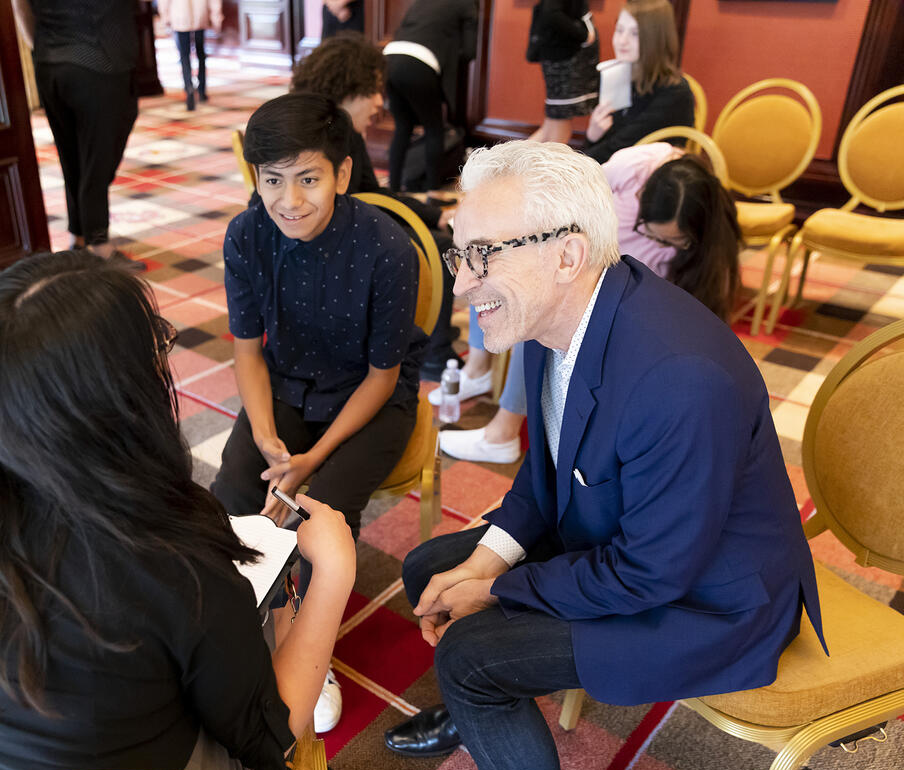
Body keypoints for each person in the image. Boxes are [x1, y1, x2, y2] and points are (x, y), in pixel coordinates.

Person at [380, 141, 824, 770]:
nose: (464, 283)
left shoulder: (679, 378)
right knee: (432, 569)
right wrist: (487, 564)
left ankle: (479, 691)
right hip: (627, 534)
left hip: (706, 601)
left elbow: (651, 573)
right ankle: (483, 709)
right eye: (461, 255)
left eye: (484, 255)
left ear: (567, 254)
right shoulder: (553, 313)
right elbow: (546, 471)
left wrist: (496, 590)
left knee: (470, 657)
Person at [0, 252, 357, 770]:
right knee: (271, 618)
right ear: (119, 399)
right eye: (156, 346)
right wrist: (333, 572)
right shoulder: (172, 555)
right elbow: (276, 736)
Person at [211, 93, 427, 732]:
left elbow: (382, 377)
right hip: (286, 386)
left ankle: (309, 650)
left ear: (343, 173)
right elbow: (247, 352)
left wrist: (310, 460)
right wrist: (267, 437)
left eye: (308, 178)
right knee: (232, 493)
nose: (290, 199)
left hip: (370, 398)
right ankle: (242, 628)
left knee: (322, 511)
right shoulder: (247, 233)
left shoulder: (387, 248)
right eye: (273, 179)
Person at [438, 142, 742, 463]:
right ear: (639, 200)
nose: (457, 288)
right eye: (649, 232)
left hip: (606, 287)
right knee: (500, 297)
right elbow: (574, 193)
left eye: (669, 242)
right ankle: (477, 371)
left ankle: (503, 430)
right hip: (584, 268)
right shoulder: (635, 166)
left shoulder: (680, 387)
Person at [289, 33, 460, 377]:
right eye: (374, 91)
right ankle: (434, 354)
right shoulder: (331, 137)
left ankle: (432, 339)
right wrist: (432, 217)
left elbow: (370, 194)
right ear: (349, 89)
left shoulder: (326, 125)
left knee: (435, 235)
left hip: (341, 228)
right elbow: (365, 200)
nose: (380, 102)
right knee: (440, 248)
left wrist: (435, 214)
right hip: (330, 242)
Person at [12, 0, 143, 269]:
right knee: (97, 158)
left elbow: (19, 5)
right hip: (102, 62)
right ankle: (99, 246)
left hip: (50, 61)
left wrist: (43, 47)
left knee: (71, 155)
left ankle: (80, 237)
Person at [384, 0, 479, 196]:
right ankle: (433, 192)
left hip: (390, 57)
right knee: (434, 128)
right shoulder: (466, 4)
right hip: (420, 61)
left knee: (402, 127)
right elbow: (469, 51)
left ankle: (393, 190)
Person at [582, 0, 694, 163]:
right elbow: (606, 148)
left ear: (656, 38)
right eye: (619, 30)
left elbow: (620, 149)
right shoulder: (619, 77)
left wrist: (575, 164)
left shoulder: (675, 93)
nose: (622, 40)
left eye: (635, 33)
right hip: (613, 169)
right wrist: (592, 136)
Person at [526, 0, 599, 145]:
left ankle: (513, 157)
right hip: (564, 61)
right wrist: (583, 35)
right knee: (559, 128)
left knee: (552, 124)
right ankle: (518, 158)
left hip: (561, 59)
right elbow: (551, 13)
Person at [159, 0, 222, 110]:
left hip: (180, 16)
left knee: (185, 56)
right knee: (200, 54)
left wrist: (165, 16)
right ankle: (201, 90)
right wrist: (216, 17)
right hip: (200, 15)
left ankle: (189, 88)